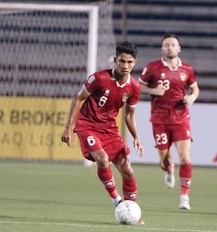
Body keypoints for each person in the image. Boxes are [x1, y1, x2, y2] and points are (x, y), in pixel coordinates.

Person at [61, 41, 145, 222]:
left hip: (109, 129)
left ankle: (131, 211)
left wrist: (136, 136)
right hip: (87, 125)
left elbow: (129, 115)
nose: (125, 66)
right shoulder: (98, 78)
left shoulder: (134, 87)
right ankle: (117, 201)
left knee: (128, 171)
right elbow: (78, 99)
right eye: (122, 61)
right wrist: (68, 128)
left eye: (129, 62)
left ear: (135, 63)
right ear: (115, 60)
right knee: (102, 159)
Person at [139, 34, 200, 210]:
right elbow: (138, 85)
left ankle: (184, 197)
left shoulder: (187, 69)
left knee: (186, 157)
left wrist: (192, 98)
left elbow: (195, 88)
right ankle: (168, 169)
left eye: (173, 45)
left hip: (181, 118)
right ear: (162, 49)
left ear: (179, 48)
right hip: (159, 119)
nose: (170, 48)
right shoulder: (152, 67)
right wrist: (154, 90)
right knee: (165, 160)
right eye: (166, 45)